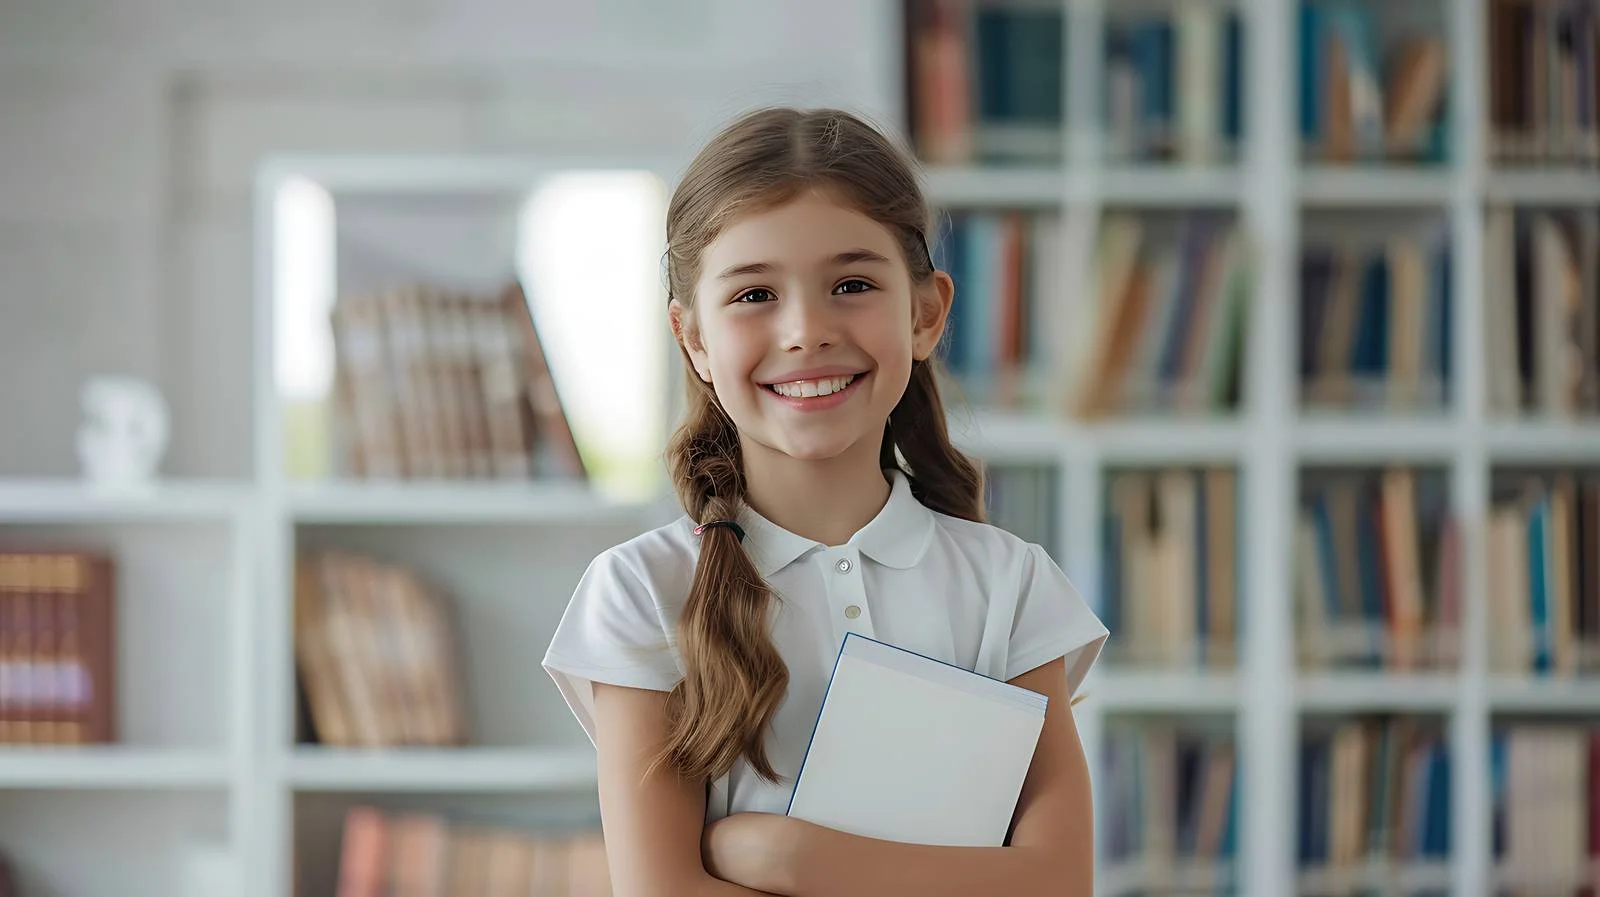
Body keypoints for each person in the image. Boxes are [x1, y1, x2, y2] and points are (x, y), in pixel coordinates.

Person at [542, 106, 1108, 897]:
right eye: (754, 295)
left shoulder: (1010, 588)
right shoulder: (640, 592)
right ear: (693, 338)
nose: (806, 330)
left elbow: (1055, 883)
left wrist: (787, 859)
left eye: (851, 284)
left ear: (925, 313)